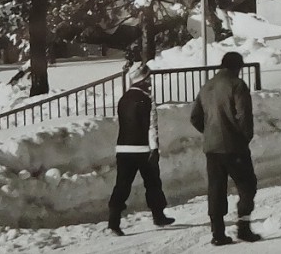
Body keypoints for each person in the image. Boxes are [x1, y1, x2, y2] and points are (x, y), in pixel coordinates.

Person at [190, 51, 261, 246]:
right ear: (238, 66)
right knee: (247, 185)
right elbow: (244, 115)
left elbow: (195, 117)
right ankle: (244, 228)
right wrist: (244, 137)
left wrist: (210, 133)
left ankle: (218, 233)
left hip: (212, 148)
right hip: (234, 146)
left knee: (216, 188)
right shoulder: (237, 85)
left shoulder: (207, 86)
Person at [107, 63, 175, 235]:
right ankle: (158, 215)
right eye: (148, 78)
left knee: (122, 185)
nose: (150, 81)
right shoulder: (147, 99)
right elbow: (152, 126)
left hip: (123, 148)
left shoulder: (123, 99)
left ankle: (113, 221)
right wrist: (154, 149)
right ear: (143, 80)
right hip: (143, 149)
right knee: (153, 183)